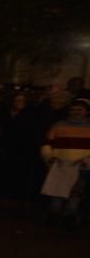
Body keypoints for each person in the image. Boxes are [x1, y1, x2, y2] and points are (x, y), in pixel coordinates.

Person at [40, 97, 90, 227]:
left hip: (80, 166)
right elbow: (47, 143)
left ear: (86, 111)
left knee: (76, 191)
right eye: (73, 110)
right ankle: (54, 213)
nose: (75, 112)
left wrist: (87, 160)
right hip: (60, 164)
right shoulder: (59, 125)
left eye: (79, 110)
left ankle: (70, 215)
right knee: (57, 190)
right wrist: (50, 157)